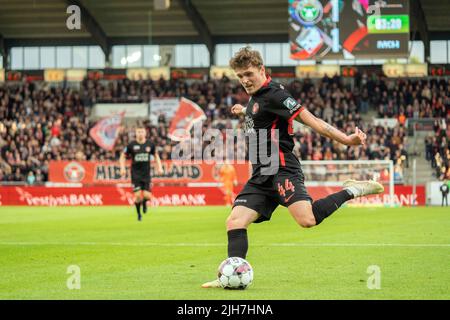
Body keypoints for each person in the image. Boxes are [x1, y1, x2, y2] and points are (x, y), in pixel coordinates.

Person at [202, 46, 384, 288]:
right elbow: (262, 119)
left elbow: (313, 121)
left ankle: (354, 190)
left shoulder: (276, 95)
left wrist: (347, 140)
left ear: (261, 70)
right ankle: (230, 275)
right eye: (240, 76)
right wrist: (243, 112)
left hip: (281, 169)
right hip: (261, 175)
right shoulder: (256, 99)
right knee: (234, 221)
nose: (245, 80)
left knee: (307, 219)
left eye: (248, 74)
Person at [120, 126, 163, 221]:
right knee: (138, 196)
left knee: (147, 196)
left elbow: (156, 156)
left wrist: (159, 167)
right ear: (136, 133)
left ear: (145, 133)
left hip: (146, 174)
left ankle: (144, 203)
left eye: (142, 132)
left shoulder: (150, 144)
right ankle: (139, 214)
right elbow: (122, 156)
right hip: (135, 175)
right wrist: (122, 168)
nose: (140, 133)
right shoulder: (131, 145)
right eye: (138, 132)